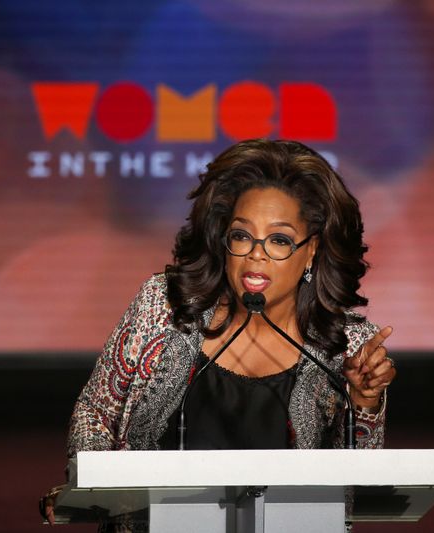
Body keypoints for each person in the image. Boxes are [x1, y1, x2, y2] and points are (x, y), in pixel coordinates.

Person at [45, 139, 396, 530]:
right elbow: (96, 413)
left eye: (279, 240)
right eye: (242, 235)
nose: (256, 254)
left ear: (311, 250)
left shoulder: (345, 347)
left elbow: (356, 480)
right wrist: (94, 488)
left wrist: (365, 402)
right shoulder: (166, 307)